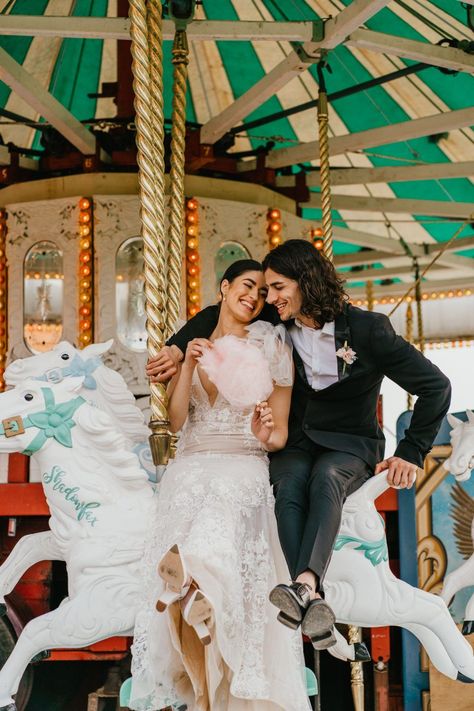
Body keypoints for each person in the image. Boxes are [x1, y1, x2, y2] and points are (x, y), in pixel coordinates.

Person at [148, 240, 451, 650]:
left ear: (305, 282)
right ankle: (309, 601)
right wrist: (177, 345)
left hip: (349, 445)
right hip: (298, 441)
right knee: (286, 480)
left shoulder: (368, 330)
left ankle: (306, 585)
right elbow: (216, 316)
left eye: (276, 288)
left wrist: (411, 452)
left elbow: (436, 387)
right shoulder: (281, 319)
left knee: (325, 478)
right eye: (266, 290)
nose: (268, 298)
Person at [130, 259, 311, 711]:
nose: (255, 297)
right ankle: (191, 603)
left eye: (263, 293)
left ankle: (195, 584)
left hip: (242, 460)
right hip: (190, 464)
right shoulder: (194, 345)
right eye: (248, 286)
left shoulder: (272, 348)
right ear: (224, 287)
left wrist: (263, 429)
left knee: (220, 509)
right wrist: (186, 365)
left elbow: (280, 436)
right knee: (194, 494)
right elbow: (172, 424)